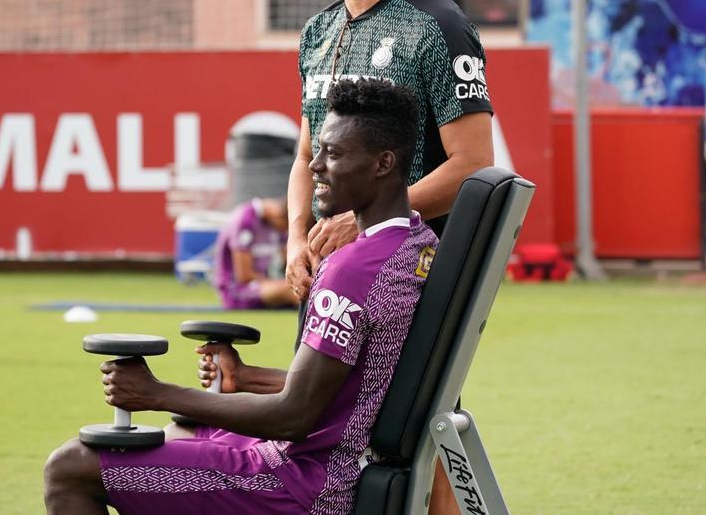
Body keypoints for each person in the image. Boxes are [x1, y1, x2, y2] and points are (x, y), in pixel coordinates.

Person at [43, 79, 438, 515]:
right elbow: (359, 385)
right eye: (319, 150)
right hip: (343, 463)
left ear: (383, 164)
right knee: (187, 432)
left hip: (305, 483)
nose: (315, 166)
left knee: (70, 468)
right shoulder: (418, 244)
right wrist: (244, 377)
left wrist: (154, 392)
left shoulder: (352, 269)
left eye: (334, 153)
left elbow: (293, 416)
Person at [286, 0, 494, 301]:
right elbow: (306, 155)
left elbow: (473, 164)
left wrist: (367, 220)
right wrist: (295, 238)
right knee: (304, 376)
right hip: (326, 269)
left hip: (402, 277)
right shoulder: (317, 31)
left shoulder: (439, 25)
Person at [213, 197, 297, 309]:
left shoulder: (276, 224)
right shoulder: (245, 220)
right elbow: (244, 276)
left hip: (263, 285)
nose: (285, 232)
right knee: (293, 290)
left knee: (300, 286)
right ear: (279, 218)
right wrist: (276, 284)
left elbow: (289, 260)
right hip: (236, 291)